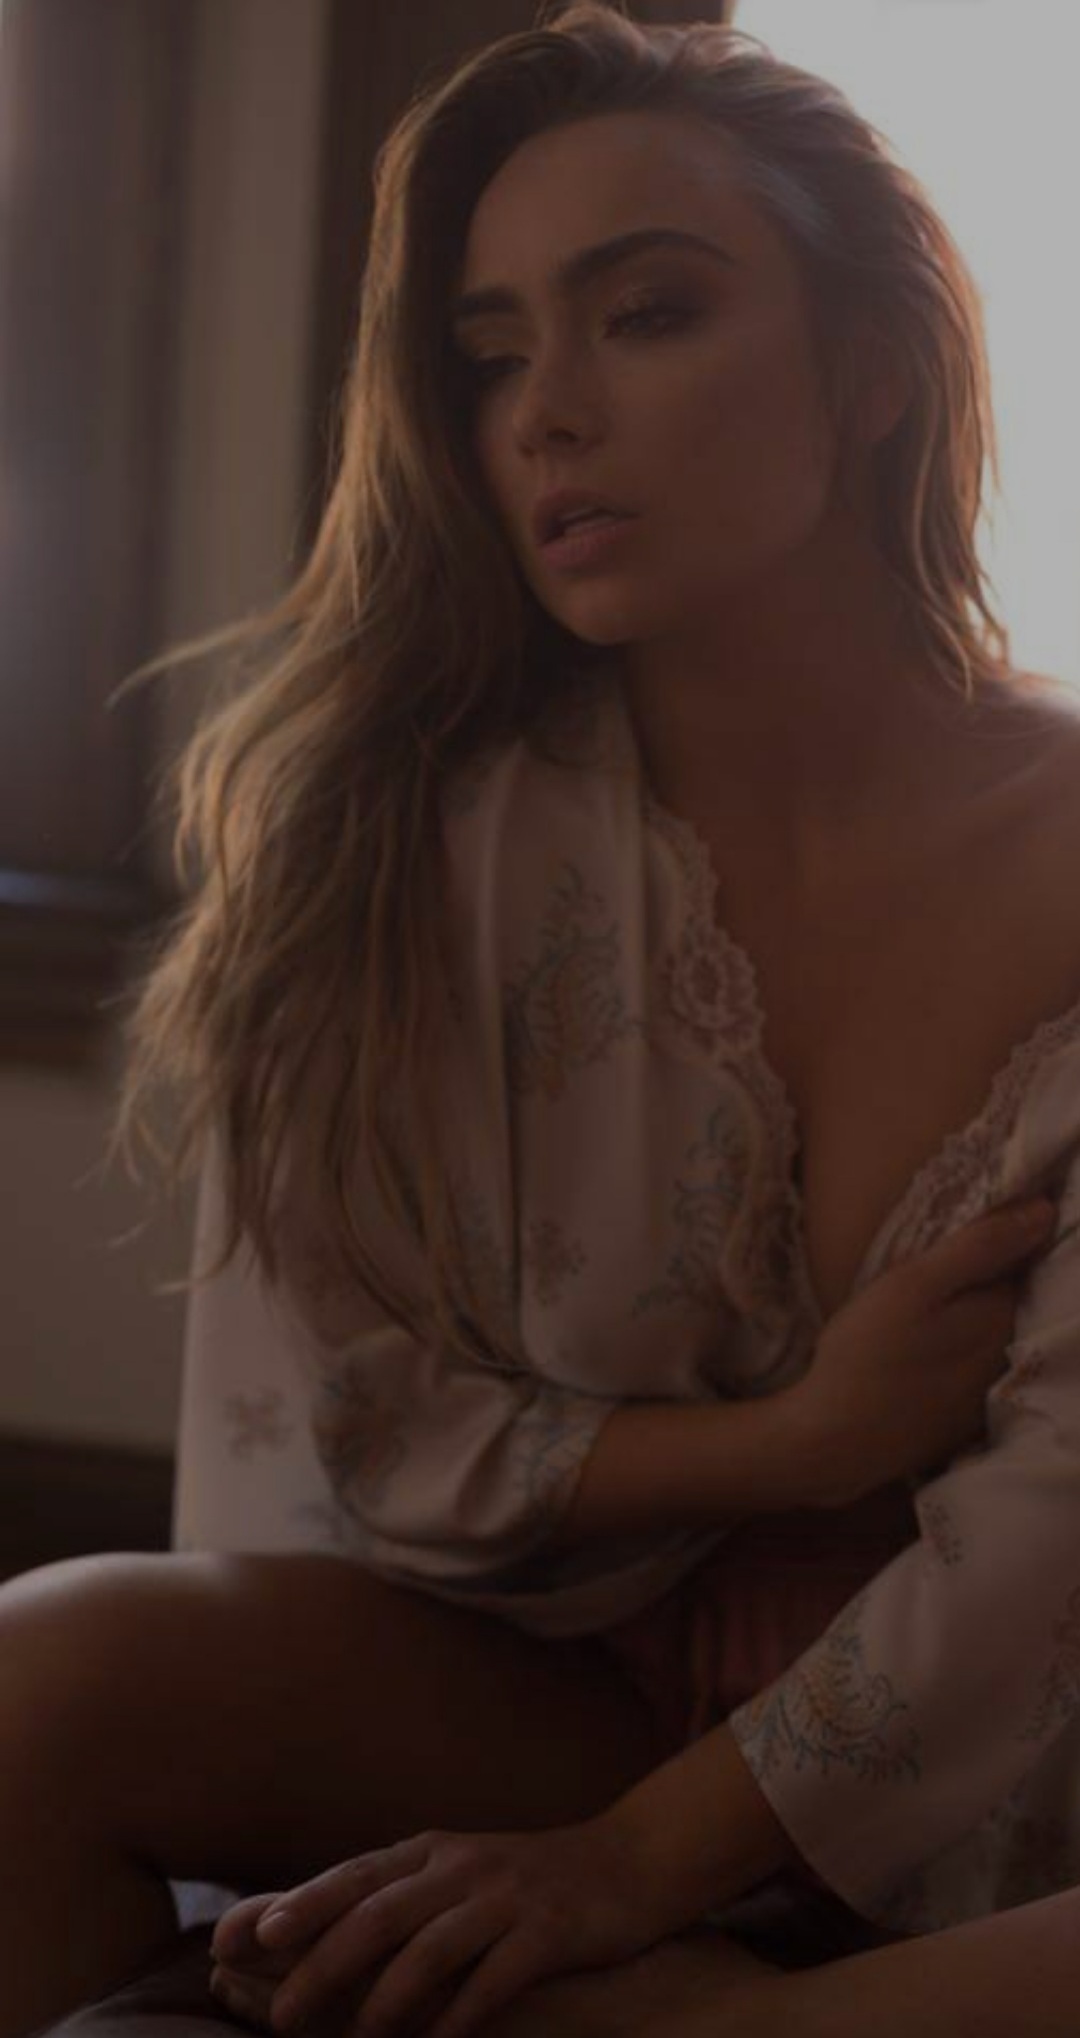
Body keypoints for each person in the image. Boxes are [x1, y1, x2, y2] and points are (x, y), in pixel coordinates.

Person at [10, 4, 1080, 2034]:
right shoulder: (403, 850)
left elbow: (1060, 1534)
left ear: (872, 364)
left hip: (1026, 1743)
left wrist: (626, 1872)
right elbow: (365, 1421)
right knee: (37, 1679)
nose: (546, 416)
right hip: (568, 1685)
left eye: (647, 314)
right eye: (491, 355)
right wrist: (782, 1454)